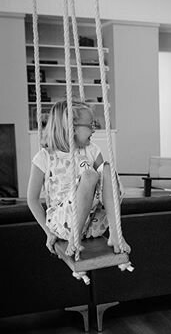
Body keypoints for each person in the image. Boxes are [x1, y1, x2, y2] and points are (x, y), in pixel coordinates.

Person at [27, 100, 131, 264]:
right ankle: (74, 237)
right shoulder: (44, 157)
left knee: (106, 169)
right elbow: (32, 199)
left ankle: (115, 234)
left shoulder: (92, 150)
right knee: (89, 175)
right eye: (91, 125)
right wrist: (48, 232)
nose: (94, 129)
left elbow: (106, 186)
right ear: (72, 128)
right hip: (64, 225)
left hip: (94, 225)